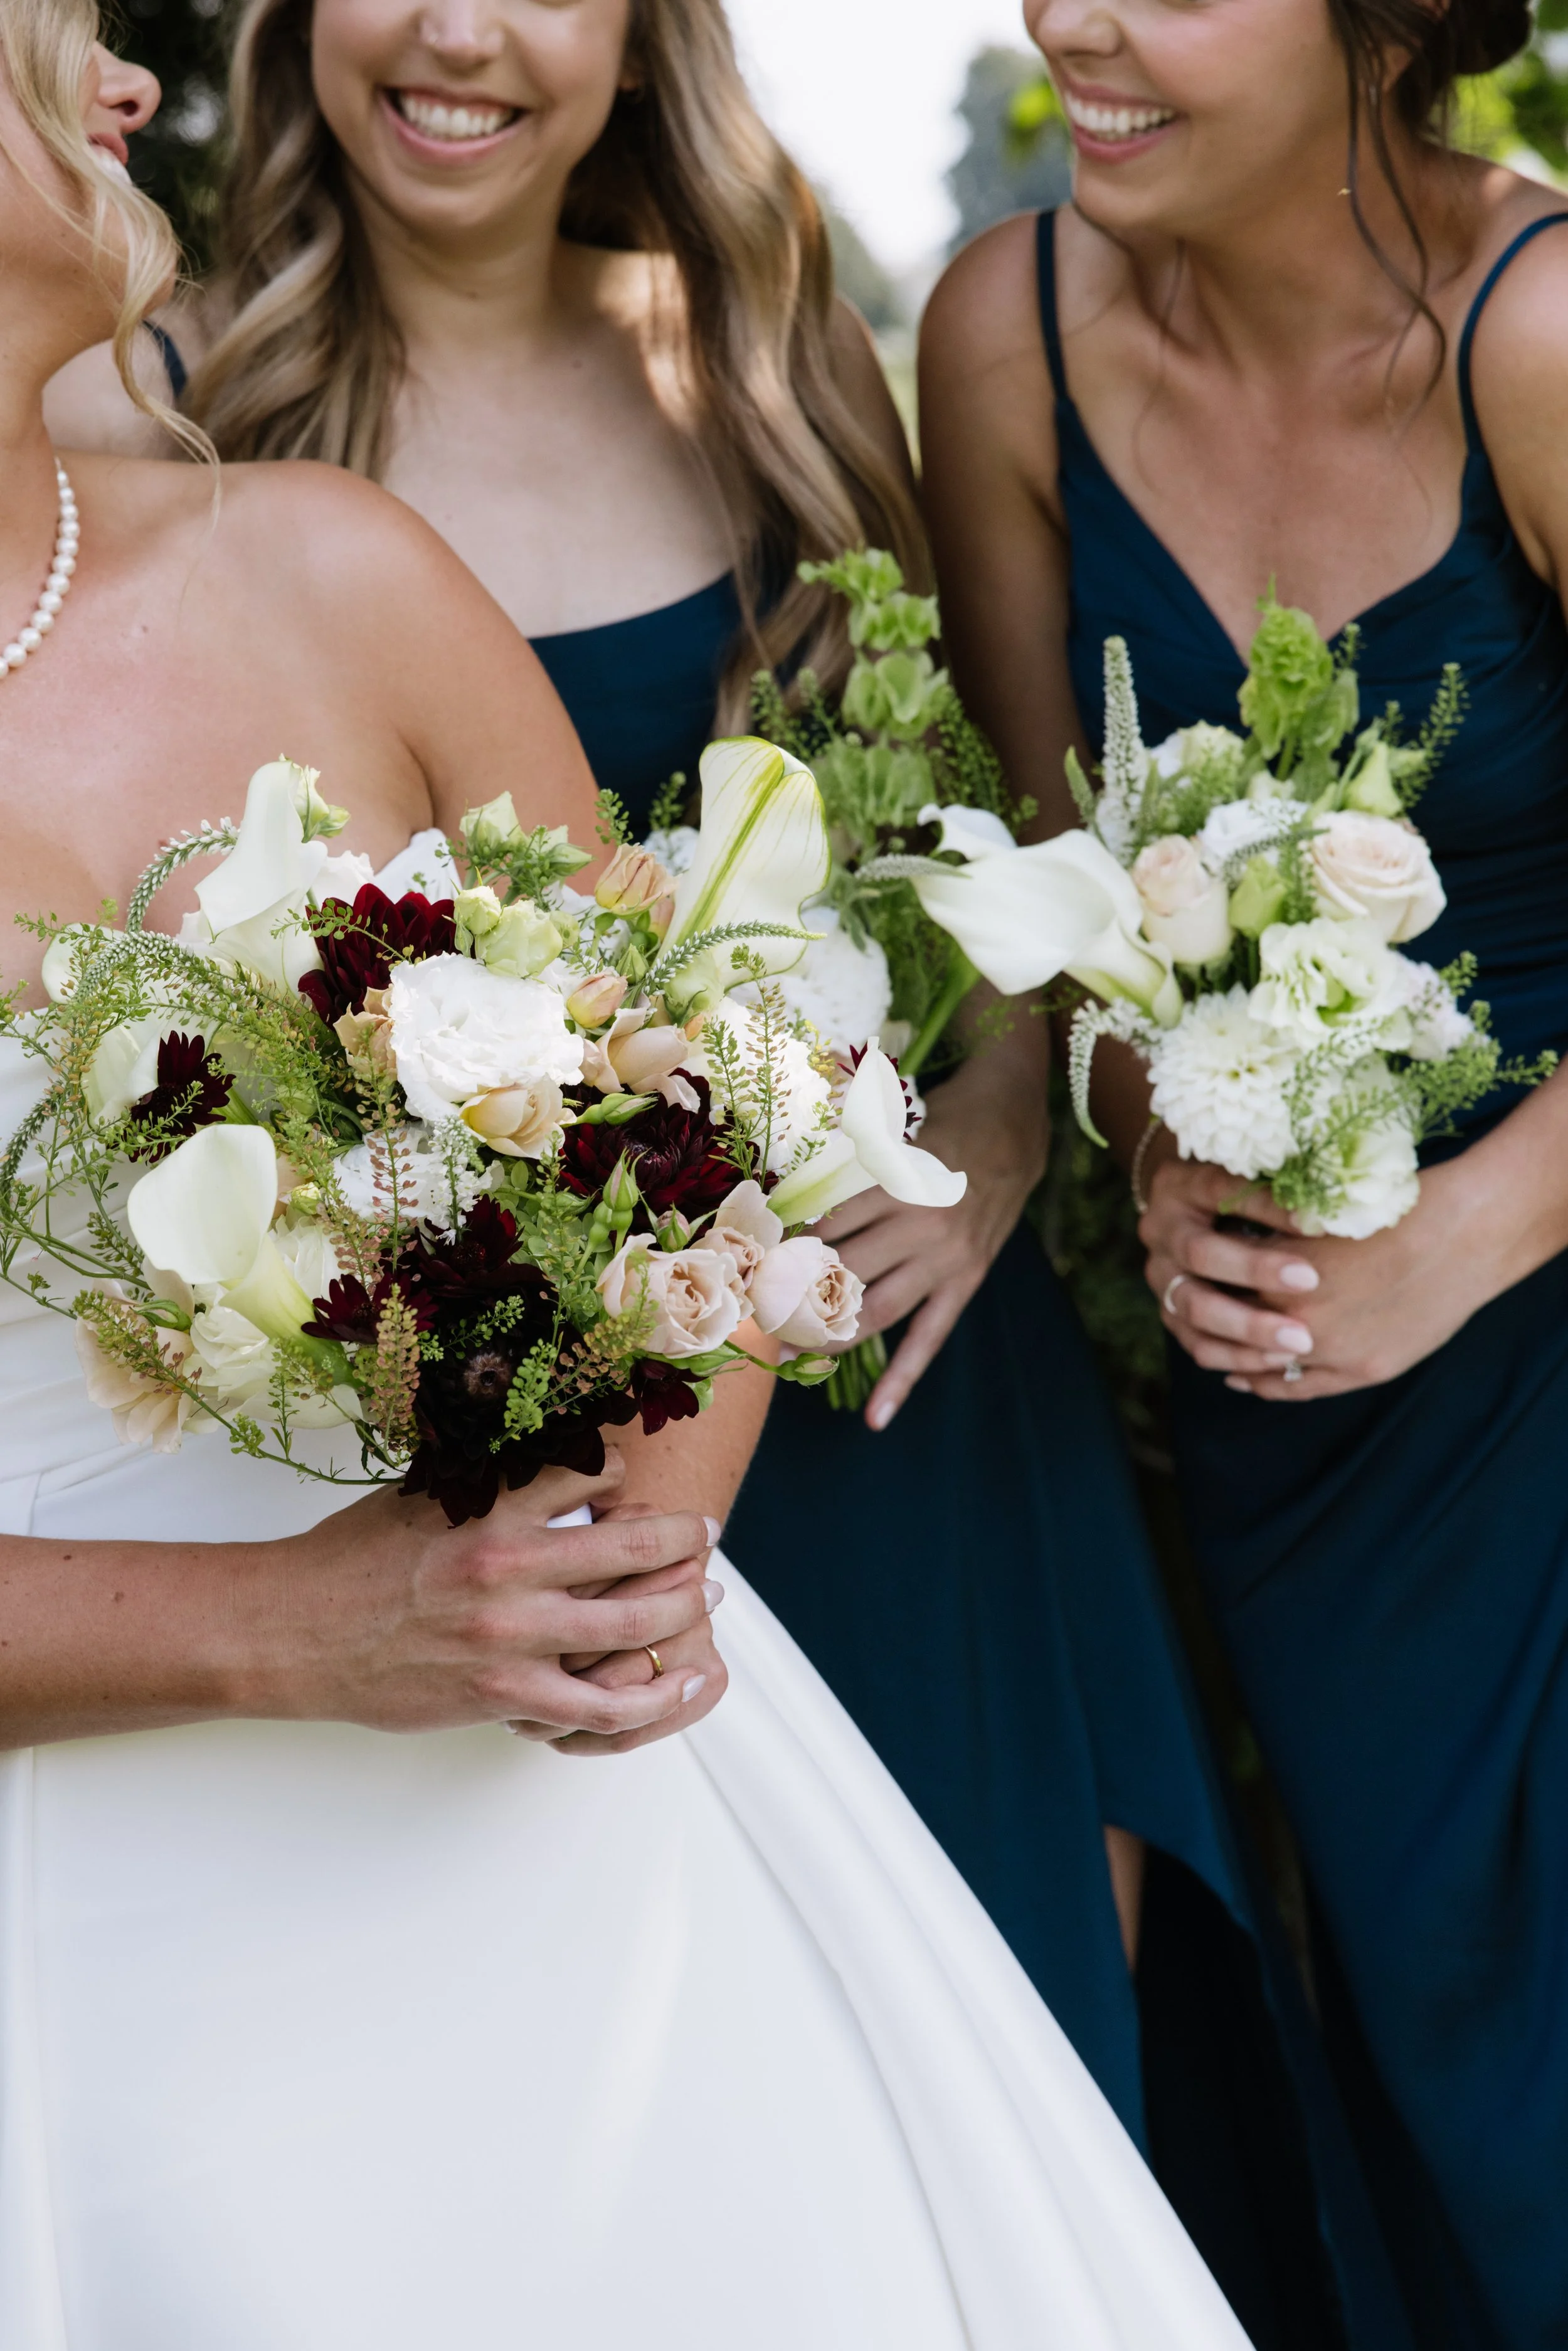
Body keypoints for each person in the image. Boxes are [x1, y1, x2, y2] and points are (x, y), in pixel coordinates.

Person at [53, 14, 1369, 2325]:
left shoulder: (758, 365)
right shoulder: (157, 395)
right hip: (422, 1408)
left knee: (969, 2038)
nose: (459, 31)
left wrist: (958, 1129)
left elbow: (995, 796)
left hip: (846, 1326)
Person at [919, 0, 1568, 2340]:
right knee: (1417, 2086)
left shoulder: (1541, 332)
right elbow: (1056, 916)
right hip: (1292, 1419)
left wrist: (1467, 1236)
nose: (1069, 20)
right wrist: (1155, 1128)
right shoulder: (1008, 333)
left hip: (1546, 1327)